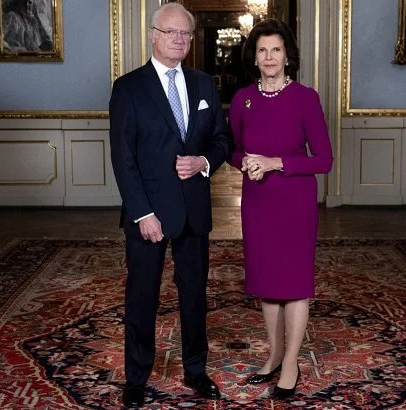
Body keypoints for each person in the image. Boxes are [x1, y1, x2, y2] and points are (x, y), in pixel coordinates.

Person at [109, 3, 233, 408]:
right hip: (149, 213)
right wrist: (143, 213)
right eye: (171, 32)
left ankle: (196, 371)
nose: (179, 39)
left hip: (194, 210)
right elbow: (123, 158)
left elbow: (222, 141)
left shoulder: (203, 84)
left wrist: (204, 162)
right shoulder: (128, 87)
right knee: (142, 297)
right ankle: (136, 378)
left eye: (186, 34)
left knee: (194, 294)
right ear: (153, 35)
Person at [228, 19, 333, 399]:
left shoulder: (306, 97)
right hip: (258, 203)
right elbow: (233, 149)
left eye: (276, 49)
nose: (269, 57)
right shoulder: (243, 99)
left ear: (288, 55)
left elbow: (324, 159)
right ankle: (273, 355)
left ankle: (291, 361)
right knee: (268, 285)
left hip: (295, 203)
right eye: (262, 50)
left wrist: (277, 163)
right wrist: (246, 163)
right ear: (253, 58)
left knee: (295, 285)